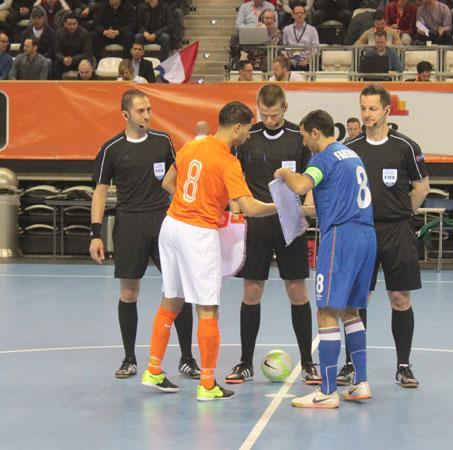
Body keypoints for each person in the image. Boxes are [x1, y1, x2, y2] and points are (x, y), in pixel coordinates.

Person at [140, 101, 277, 400]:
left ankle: (153, 369)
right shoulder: (228, 161)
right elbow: (250, 207)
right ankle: (207, 385)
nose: (248, 136)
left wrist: (194, 201)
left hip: (171, 226)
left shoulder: (191, 146)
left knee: (171, 299)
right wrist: (282, 207)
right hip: (198, 234)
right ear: (237, 127)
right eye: (248, 130)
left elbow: (168, 183)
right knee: (208, 307)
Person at [89, 89, 199, 380]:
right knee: (129, 292)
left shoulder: (163, 141)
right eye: (141, 111)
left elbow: (179, 177)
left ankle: (187, 358)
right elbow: (100, 191)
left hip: (164, 222)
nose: (147, 115)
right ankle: (129, 359)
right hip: (130, 225)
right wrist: (95, 233)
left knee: (178, 290)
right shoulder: (111, 148)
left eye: (149, 109)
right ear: (126, 115)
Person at [274, 109, 377, 408]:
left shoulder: (324, 158)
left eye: (305, 136)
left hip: (341, 238)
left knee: (327, 310)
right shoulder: (351, 155)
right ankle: (360, 382)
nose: (304, 142)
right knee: (351, 310)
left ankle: (327, 392)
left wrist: (284, 174)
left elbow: (301, 185)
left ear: (315, 133)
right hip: (366, 235)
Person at [225, 84, 320, 385]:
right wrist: (235, 210)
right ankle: (245, 362)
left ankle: (308, 363)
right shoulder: (246, 138)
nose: (269, 120)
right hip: (256, 223)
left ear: (285, 108)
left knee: (297, 291)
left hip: (290, 222)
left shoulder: (298, 138)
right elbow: (233, 179)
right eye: (264, 114)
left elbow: (309, 180)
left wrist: (308, 207)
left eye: (275, 115)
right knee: (252, 291)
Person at [343, 84, 430, 388]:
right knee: (358, 300)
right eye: (363, 108)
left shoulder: (406, 147)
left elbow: (422, 187)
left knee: (400, 298)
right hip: (362, 232)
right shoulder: (351, 149)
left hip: (397, 232)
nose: (367, 114)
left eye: (373, 109)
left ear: (387, 111)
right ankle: (352, 364)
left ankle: (403, 366)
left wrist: (402, 215)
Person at [53, 12, 93, 79]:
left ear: (78, 23)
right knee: (56, 64)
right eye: (69, 24)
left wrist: (73, 59)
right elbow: (56, 52)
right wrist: (63, 59)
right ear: (64, 24)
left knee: (85, 63)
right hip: (65, 61)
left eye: (74, 24)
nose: (72, 26)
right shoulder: (59, 33)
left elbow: (87, 53)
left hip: (79, 60)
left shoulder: (85, 33)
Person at [282, 3, 319, 71]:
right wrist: (288, 59)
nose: (299, 15)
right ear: (293, 15)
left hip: (306, 61)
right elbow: (283, 48)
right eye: (297, 13)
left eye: (301, 13)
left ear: (305, 15)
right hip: (291, 61)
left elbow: (315, 49)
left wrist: (307, 60)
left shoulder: (312, 30)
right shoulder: (286, 29)